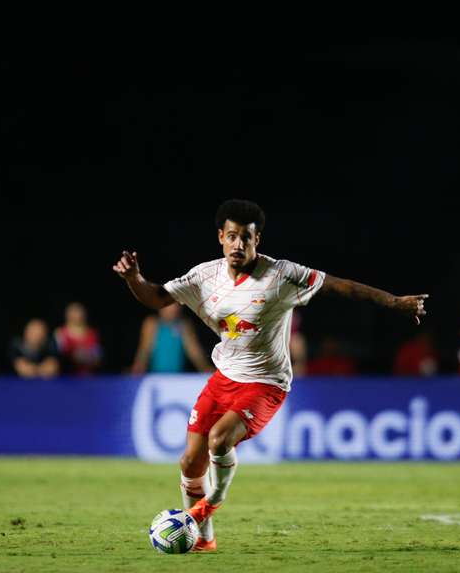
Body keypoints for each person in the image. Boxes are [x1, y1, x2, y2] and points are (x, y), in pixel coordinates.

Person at [113, 199, 427, 552]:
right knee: (189, 461)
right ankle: (203, 538)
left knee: (219, 439)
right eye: (231, 236)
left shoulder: (282, 275)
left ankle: (205, 508)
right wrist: (133, 278)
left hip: (266, 383)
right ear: (221, 237)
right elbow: (157, 298)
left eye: (245, 238)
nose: (238, 245)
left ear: (256, 240)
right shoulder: (205, 276)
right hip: (224, 377)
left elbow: (341, 286)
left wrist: (394, 302)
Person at [130, 303, 212, 375]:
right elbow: (144, 350)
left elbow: (194, 351)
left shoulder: (184, 325)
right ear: (160, 307)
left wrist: (205, 368)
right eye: (169, 305)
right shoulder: (152, 323)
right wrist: (138, 367)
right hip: (155, 376)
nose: (173, 308)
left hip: (177, 377)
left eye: (176, 305)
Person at [54, 302, 102, 376]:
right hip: (67, 377)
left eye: (78, 311)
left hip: (90, 376)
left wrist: (84, 357)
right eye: (73, 312)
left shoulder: (92, 333)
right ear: (67, 315)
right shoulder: (60, 333)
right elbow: (61, 356)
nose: (76, 315)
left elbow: (98, 358)